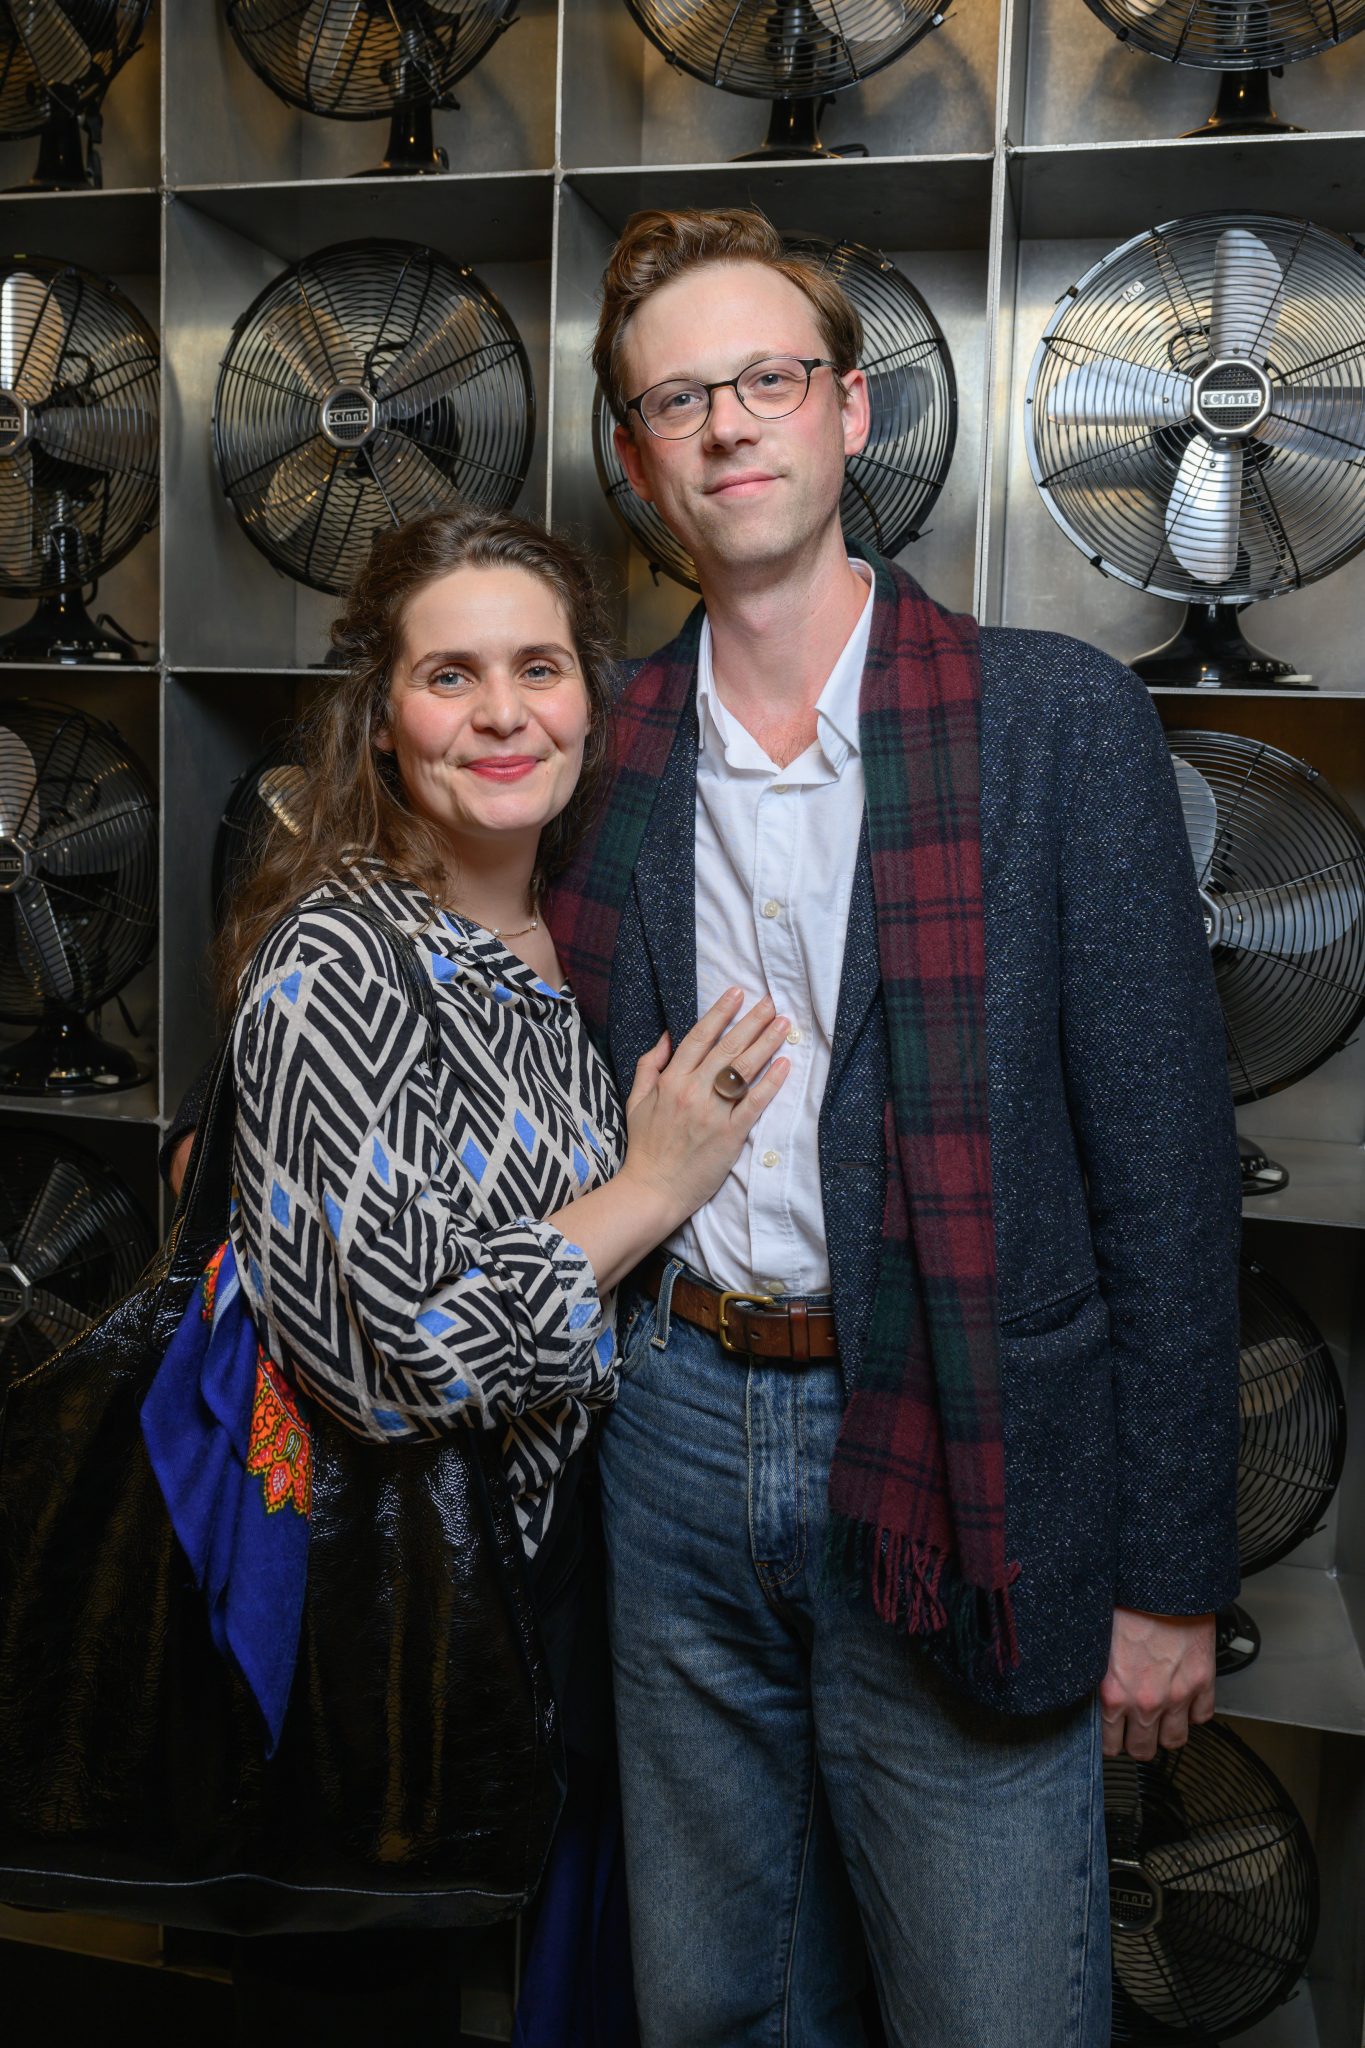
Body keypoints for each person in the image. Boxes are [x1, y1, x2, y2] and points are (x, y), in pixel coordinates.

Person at [537, 209, 1243, 2047]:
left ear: (850, 413)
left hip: (958, 1429)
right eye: (674, 399)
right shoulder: (599, 748)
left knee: (992, 2010)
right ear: (634, 461)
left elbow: (1166, 1187)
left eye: (764, 379)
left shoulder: (1055, 728)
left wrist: (1170, 1576)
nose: (726, 427)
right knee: (717, 2002)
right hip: (671, 1432)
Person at [187, 505, 791, 2037]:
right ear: (383, 723)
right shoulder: (343, 956)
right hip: (383, 1622)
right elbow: (386, 1361)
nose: (503, 714)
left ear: (596, 694)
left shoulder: (572, 918)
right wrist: (650, 1190)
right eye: (448, 677)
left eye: (538, 668)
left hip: (574, 1591)